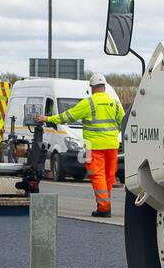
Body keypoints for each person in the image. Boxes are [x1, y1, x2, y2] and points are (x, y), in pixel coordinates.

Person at [46, 73, 123, 218]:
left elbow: (68, 116)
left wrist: (49, 118)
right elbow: (123, 122)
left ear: (92, 88)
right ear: (104, 87)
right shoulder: (115, 103)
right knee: (108, 176)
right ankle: (104, 205)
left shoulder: (89, 103)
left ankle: (104, 207)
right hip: (113, 145)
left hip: (91, 145)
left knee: (96, 175)